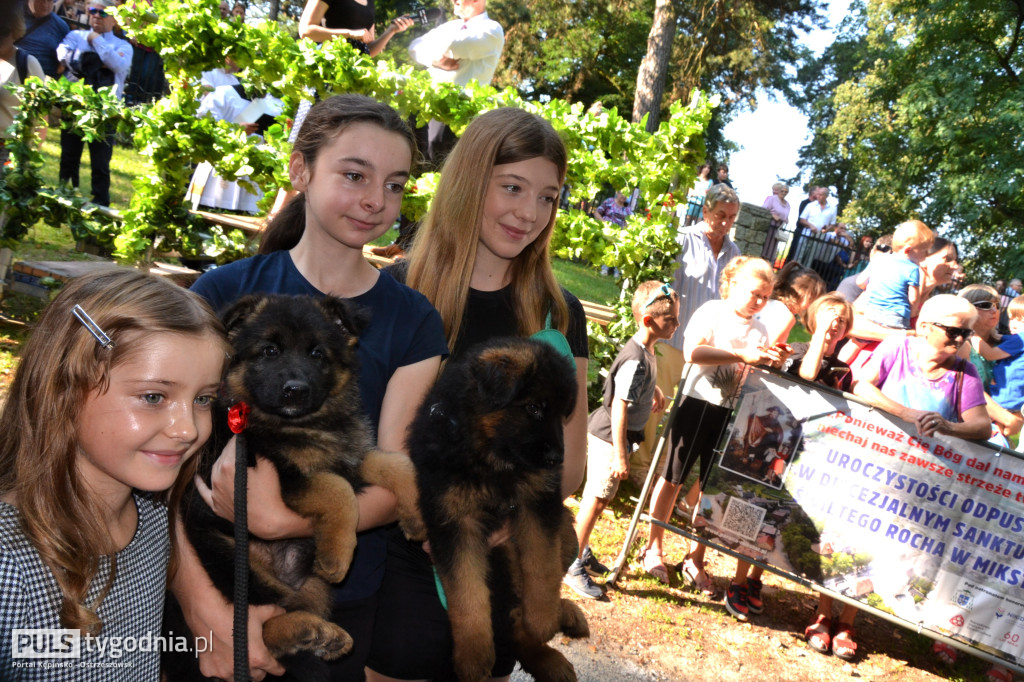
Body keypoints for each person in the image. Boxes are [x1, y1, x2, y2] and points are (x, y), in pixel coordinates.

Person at [177, 94, 448, 681]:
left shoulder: (413, 319)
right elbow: (170, 461)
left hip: (342, 586)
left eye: (396, 184)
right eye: (354, 175)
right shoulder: (225, 293)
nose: (377, 199)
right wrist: (202, 607)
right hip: (208, 577)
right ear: (301, 171)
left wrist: (287, 521)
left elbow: (392, 461)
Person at [366, 106, 590, 682]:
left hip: (499, 562)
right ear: (469, 181)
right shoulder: (396, 293)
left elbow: (569, 464)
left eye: (548, 197)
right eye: (512, 187)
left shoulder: (558, 314)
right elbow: (376, 445)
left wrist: (511, 520)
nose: (529, 212)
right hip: (404, 563)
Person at [0, 268, 228, 680]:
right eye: (154, 397)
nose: (188, 429)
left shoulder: (155, 524)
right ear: (64, 388)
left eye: (203, 399)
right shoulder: (9, 564)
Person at [640, 256, 788, 613]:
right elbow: (693, 351)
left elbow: (753, 374)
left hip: (730, 415)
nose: (759, 302)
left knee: (710, 488)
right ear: (733, 283)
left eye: (765, 297)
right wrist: (741, 352)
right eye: (754, 293)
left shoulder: (762, 328)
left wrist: (770, 363)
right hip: (695, 404)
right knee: (673, 478)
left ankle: (695, 558)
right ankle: (654, 547)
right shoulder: (712, 310)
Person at [564, 281, 679, 600]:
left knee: (602, 498)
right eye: (670, 320)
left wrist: (654, 391)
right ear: (648, 320)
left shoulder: (647, 350)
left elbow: (633, 383)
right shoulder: (636, 358)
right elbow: (619, 405)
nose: (676, 324)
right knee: (596, 498)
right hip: (608, 439)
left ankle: (581, 549)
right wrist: (620, 455)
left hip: (616, 441)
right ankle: (571, 562)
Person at [789, 293, 863, 659]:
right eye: (830, 316)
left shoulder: (845, 367)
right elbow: (806, 373)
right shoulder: (795, 350)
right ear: (812, 319)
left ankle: (834, 616)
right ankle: (751, 580)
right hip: (788, 452)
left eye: (843, 319)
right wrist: (820, 334)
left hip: (823, 459)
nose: (836, 323)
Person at [852, 294, 991, 441]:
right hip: (874, 442)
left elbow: (982, 427)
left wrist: (948, 427)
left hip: (922, 458)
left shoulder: (965, 371)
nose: (960, 339)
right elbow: (860, 386)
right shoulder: (898, 347)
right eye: (953, 331)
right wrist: (907, 414)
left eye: (966, 333)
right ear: (925, 327)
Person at [408, 0, 505, 164]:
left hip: (455, 114)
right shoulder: (450, 27)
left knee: (436, 161)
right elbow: (414, 47)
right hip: (425, 107)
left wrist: (431, 46)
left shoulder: (492, 29)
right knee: (411, 156)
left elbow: (456, 47)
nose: (454, 1)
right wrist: (435, 61)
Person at [56, 0, 131, 207]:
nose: (96, 16)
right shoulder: (75, 36)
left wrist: (96, 40)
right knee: (69, 157)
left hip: (105, 113)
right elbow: (61, 55)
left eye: (102, 13)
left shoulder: (123, 45)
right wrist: (83, 50)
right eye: (93, 11)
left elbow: (117, 64)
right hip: (75, 108)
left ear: (114, 19)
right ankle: (64, 199)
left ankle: (100, 205)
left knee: (100, 164)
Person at [184, 82, 284, 213]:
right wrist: (235, 129)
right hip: (219, 166)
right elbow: (202, 128)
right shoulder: (223, 93)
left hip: (252, 169)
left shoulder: (275, 103)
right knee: (207, 214)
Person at [856, 219, 934, 330]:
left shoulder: (879, 258)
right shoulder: (912, 269)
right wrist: (912, 313)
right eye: (924, 251)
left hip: (870, 312)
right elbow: (913, 299)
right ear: (908, 250)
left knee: (856, 343)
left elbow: (860, 282)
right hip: (895, 318)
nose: (926, 255)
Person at [1, 7, 45, 168]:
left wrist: (30, 154)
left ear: (14, 32)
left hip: (9, 150)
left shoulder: (27, 63)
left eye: (3, 33)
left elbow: (42, 113)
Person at [753, 261, 826, 345]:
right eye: (812, 300)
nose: (812, 306)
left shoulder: (766, 302)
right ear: (803, 293)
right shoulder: (787, 317)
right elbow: (769, 351)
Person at [985, 296, 1024, 415]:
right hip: (1014, 400)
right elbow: (999, 337)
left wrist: (974, 337)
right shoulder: (1016, 339)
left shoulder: (1020, 339)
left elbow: (990, 354)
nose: (1013, 325)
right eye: (1011, 319)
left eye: (1021, 321)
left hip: (1004, 400)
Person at [15, 0, 69, 80]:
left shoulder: (61, 26)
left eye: (49, 1)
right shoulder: (14, 18)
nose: (45, 4)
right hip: (13, 77)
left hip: (42, 83)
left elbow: (67, 62)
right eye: (41, 0)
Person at [835, 234, 891, 303]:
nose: (868, 243)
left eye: (870, 242)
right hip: (855, 272)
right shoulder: (856, 252)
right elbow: (850, 263)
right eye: (866, 241)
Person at [794, 186, 838, 266]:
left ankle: (804, 274)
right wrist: (810, 226)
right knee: (799, 255)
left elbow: (832, 224)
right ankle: (794, 271)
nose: (818, 196)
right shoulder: (810, 205)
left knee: (810, 258)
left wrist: (827, 229)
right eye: (818, 194)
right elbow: (802, 219)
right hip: (806, 234)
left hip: (819, 236)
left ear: (826, 196)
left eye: (821, 195)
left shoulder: (832, 209)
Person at [761, 181, 790, 261]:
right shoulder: (772, 199)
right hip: (770, 226)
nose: (784, 193)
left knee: (772, 250)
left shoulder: (787, 204)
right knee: (766, 247)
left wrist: (785, 219)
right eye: (782, 191)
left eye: (786, 192)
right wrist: (773, 215)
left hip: (778, 228)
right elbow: (763, 209)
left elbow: (785, 215)